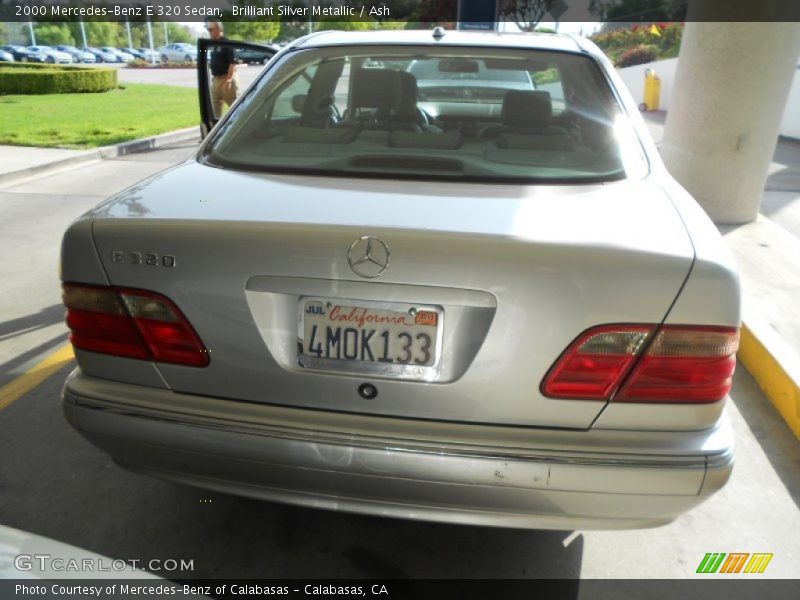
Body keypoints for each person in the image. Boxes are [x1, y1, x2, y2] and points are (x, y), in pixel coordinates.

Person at [206, 20, 239, 117]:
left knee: (236, 110)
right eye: (208, 30)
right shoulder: (213, 44)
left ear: (219, 29)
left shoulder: (227, 43)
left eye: (211, 30)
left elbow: (232, 63)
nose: (209, 32)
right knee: (214, 113)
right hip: (215, 81)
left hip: (227, 80)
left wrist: (228, 81)